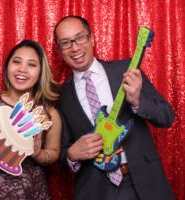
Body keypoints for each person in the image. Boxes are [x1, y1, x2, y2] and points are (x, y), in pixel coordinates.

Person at [54, 16, 175, 200]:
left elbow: (167, 116)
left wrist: (137, 101)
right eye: (65, 42)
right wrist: (71, 154)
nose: (75, 47)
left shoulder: (127, 69)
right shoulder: (60, 96)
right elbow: (63, 150)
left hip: (145, 181)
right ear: (59, 50)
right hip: (95, 190)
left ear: (92, 38)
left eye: (80, 38)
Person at [0, 40, 62, 200]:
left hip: (30, 190)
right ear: (7, 66)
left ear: (40, 72)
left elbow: (54, 153)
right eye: (16, 61)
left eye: (31, 64)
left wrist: (38, 154)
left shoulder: (49, 114)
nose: (22, 69)